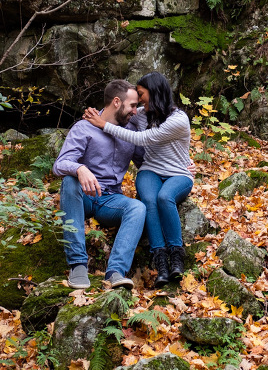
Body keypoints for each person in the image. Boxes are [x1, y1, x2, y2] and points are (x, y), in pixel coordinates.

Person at [84, 71, 193, 288]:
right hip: (150, 170)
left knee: (164, 197)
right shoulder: (142, 114)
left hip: (178, 173)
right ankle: (161, 262)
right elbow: (118, 110)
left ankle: (176, 257)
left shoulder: (178, 120)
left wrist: (103, 125)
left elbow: (142, 138)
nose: (139, 100)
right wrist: (95, 114)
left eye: (142, 94)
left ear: (154, 92)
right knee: (149, 201)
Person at [52, 79, 147, 290]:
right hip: (84, 196)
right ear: (116, 102)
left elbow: (147, 162)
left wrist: (180, 168)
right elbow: (60, 164)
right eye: (132, 105)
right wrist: (80, 169)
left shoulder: (130, 132)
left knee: (138, 208)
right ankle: (77, 265)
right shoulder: (84, 127)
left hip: (111, 200)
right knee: (69, 181)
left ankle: (115, 272)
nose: (135, 111)